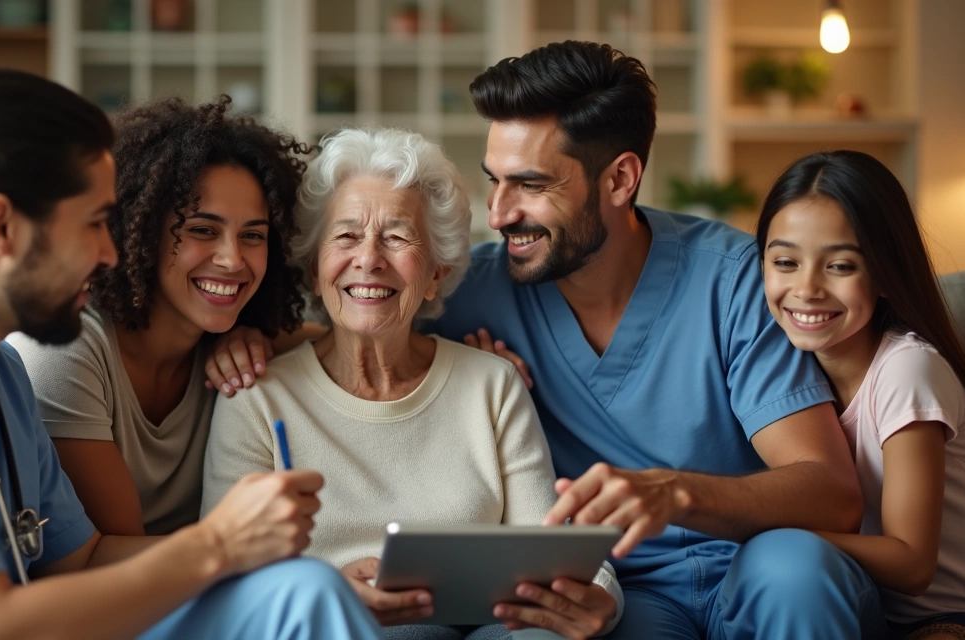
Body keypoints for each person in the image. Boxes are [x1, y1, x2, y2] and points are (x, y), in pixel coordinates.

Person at [206, 41, 885, 639]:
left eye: (530, 184)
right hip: (629, 592)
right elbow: (368, 314)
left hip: (752, 564)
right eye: (495, 181)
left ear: (619, 179)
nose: (499, 215)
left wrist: (675, 493)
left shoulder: (732, 280)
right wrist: (254, 338)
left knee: (796, 568)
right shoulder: (478, 285)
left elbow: (831, 492)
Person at [0, 69, 381, 640]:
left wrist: (258, 552)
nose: (110, 255)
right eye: (92, 224)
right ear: (0, 227)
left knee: (300, 594)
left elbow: (77, 559)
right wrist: (217, 543)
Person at [199, 127, 621, 640]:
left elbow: (555, 541)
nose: (370, 259)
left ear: (436, 274)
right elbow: (221, 575)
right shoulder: (257, 397)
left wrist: (599, 598)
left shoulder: (492, 383)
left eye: (397, 237)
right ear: (314, 269)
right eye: (347, 235)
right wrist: (326, 590)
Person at [7, 96, 312, 536]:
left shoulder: (235, 336)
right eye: (202, 230)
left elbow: (342, 349)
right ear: (142, 232)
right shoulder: (65, 351)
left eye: (253, 236)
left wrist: (256, 337)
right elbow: (111, 555)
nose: (232, 259)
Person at [757, 151, 965, 640]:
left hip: (946, 617)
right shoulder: (779, 366)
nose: (806, 288)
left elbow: (914, 564)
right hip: (860, 602)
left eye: (840, 265)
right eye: (786, 262)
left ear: (884, 270)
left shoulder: (908, 370)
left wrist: (775, 535)